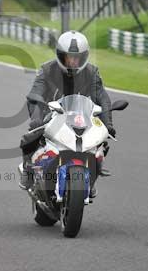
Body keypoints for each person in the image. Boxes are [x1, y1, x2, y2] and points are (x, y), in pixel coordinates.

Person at [19, 30, 116, 197]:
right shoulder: (47, 69)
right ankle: (28, 170)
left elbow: (103, 98)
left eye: (77, 57)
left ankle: (91, 177)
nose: (73, 61)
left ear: (84, 57)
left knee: (102, 142)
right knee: (29, 138)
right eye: (69, 57)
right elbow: (35, 94)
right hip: (51, 114)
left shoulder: (92, 72)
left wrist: (108, 124)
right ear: (60, 55)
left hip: (82, 117)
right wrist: (36, 119)